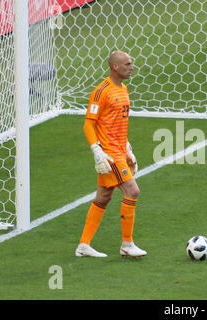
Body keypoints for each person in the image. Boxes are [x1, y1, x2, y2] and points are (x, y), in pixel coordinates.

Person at [75, 50, 146, 258]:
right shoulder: (102, 91)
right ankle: (127, 244)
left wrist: (128, 148)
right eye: (127, 64)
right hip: (109, 153)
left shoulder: (123, 90)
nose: (131, 67)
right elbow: (89, 123)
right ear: (115, 66)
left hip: (119, 150)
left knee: (104, 196)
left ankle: (83, 245)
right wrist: (97, 150)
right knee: (132, 191)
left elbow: (118, 124)